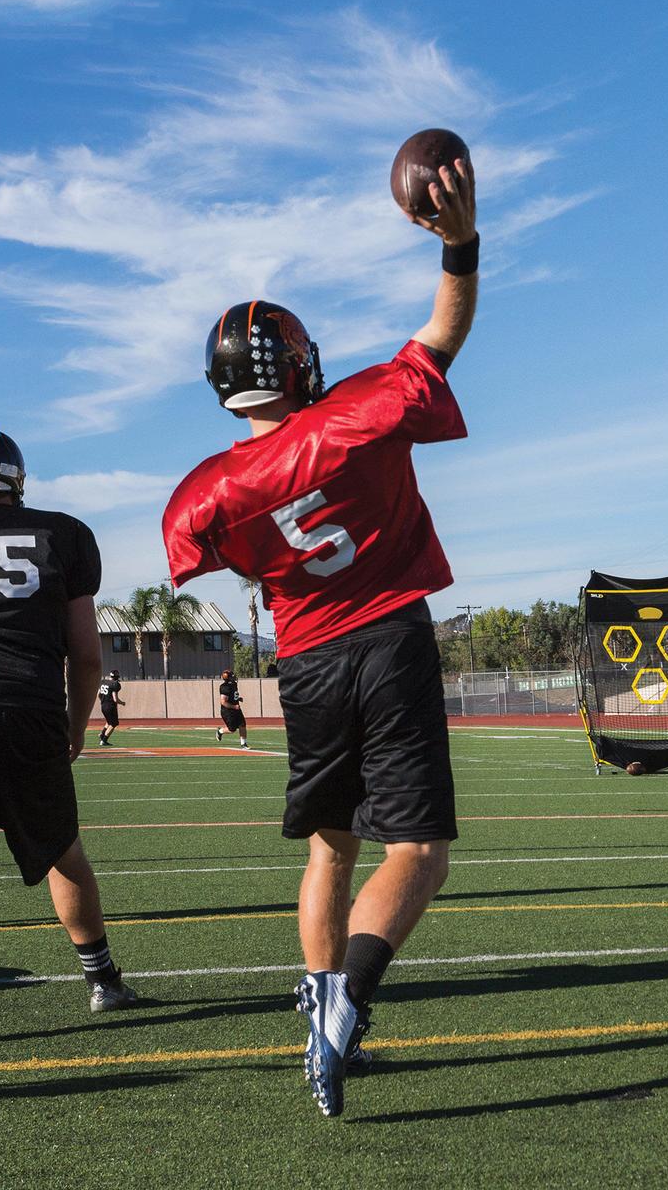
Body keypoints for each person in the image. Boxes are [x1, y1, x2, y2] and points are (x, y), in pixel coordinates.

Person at [161, 154, 477, 1117]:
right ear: (298, 363)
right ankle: (345, 1011)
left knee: (329, 852)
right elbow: (445, 332)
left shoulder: (205, 490)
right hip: (385, 637)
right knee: (417, 854)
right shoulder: (357, 409)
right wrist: (458, 241)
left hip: (302, 661)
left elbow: (233, 560)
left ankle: (316, 1016)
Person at [0, 428, 137, 1011]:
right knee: (61, 848)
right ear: (17, 480)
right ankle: (103, 982)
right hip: (31, 707)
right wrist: (75, 725)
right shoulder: (64, 533)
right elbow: (86, 654)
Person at [217, 667, 249, 748]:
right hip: (228, 711)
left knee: (242, 724)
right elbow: (223, 702)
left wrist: (238, 699)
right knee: (232, 729)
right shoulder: (224, 687)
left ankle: (243, 744)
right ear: (228, 678)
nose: (234, 677)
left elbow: (232, 696)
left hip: (236, 709)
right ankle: (220, 731)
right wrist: (234, 706)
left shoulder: (234, 684)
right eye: (232, 676)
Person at [97, 668, 124, 746]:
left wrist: (102, 701)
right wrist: (122, 703)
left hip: (103, 705)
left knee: (109, 721)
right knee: (114, 723)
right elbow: (115, 699)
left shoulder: (103, 682)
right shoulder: (115, 684)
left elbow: (98, 694)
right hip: (110, 706)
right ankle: (104, 740)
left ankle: (102, 734)